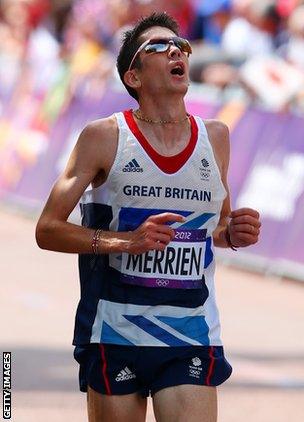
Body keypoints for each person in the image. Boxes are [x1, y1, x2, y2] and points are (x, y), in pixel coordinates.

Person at [36, 12, 261, 422]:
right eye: (158, 46)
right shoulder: (104, 136)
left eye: (182, 45)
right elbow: (47, 229)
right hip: (113, 331)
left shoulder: (216, 137)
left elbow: (219, 224)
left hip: (189, 331)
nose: (176, 50)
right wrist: (125, 242)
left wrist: (234, 231)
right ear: (133, 77)